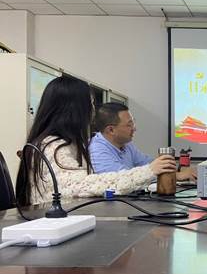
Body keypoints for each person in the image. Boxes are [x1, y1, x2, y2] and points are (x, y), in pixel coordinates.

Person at [15, 76, 177, 205]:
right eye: (91, 104)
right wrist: (148, 171)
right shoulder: (53, 146)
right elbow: (83, 186)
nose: (93, 110)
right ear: (75, 109)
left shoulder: (68, 144)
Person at [89, 102, 196, 181]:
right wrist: (176, 176)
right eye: (129, 125)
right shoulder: (96, 150)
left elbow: (148, 163)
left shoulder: (126, 144)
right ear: (111, 130)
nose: (134, 128)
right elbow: (122, 179)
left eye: (133, 123)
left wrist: (179, 170)